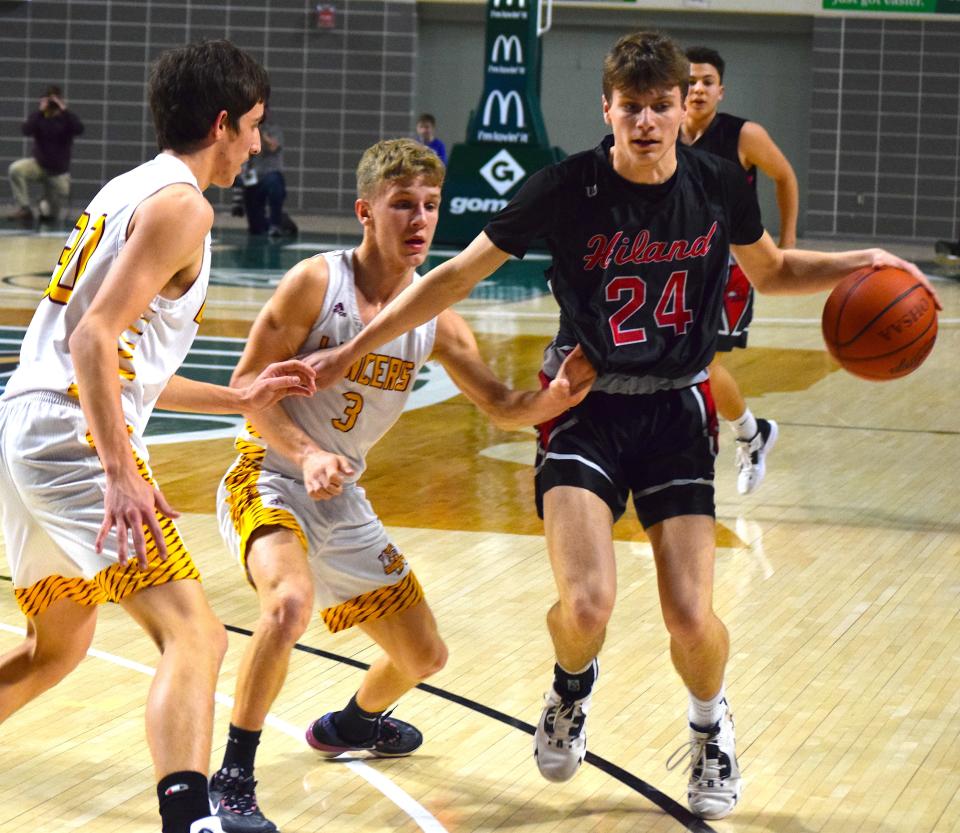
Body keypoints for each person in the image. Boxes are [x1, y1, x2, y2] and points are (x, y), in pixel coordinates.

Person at [299, 31, 941, 821]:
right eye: (630, 107)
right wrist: (351, 349)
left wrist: (863, 260)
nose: (645, 121)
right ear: (607, 109)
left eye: (660, 106)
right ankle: (571, 687)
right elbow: (458, 274)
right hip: (585, 406)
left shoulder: (715, 184)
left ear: (684, 110)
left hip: (677, 407)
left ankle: (710, 727)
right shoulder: (567, 186)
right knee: (586, 607)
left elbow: (771, 271)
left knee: (691, 614)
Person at [208, 137, 593, 833]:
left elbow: (503, 405)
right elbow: (246, 389)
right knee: (288, 604)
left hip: (342, 493)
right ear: (365, 212)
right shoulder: (314, 285)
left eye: (430, 206)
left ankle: (353, 721)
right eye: (402, 206)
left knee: (424, 654)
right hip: (268, 471)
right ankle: (233, 773)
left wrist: (557, 396)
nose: (420, 220)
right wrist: (303, 453)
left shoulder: (435, 318)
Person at [0, 41, 316, 833]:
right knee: (196, 634)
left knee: (58, 646)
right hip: (74, 435)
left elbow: (124, 359)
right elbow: (93, 340)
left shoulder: (131, 188)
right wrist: (117, 468)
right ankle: (191, 821)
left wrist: (237, 394)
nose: (255, 142)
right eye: (252, 126)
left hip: (30, 428)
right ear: (222, 124)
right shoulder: (185, 205)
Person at [680, 46, 800, 494]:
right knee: (674, 357)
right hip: (676, 259)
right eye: (690, 81)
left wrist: (786, 245)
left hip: (731, 261)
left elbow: (784, 176)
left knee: (702, 360)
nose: (697, 89)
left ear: (720, 90)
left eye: (706, 81)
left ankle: (747, 434)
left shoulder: (744, 135)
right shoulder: (663, 132)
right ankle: (749, 432)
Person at [7, 85, 84, 225]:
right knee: (16, 169)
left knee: (50, 214)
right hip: (38, 165)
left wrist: (64, 109)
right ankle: (25, 208)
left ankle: (43, 205)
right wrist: (40, 111)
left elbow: (79, 129)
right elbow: (26, 130)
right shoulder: (39, 118)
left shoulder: (66, 119)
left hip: (58, 171)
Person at [238, 110, 290, 238]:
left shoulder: (273, 129)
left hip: (270, 173)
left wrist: (261, 133)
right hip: (253, 175)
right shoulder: (245, 131)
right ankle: (275, 223)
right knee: (256, 227)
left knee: (274, 185)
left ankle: (276, 224)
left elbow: (273, 146)